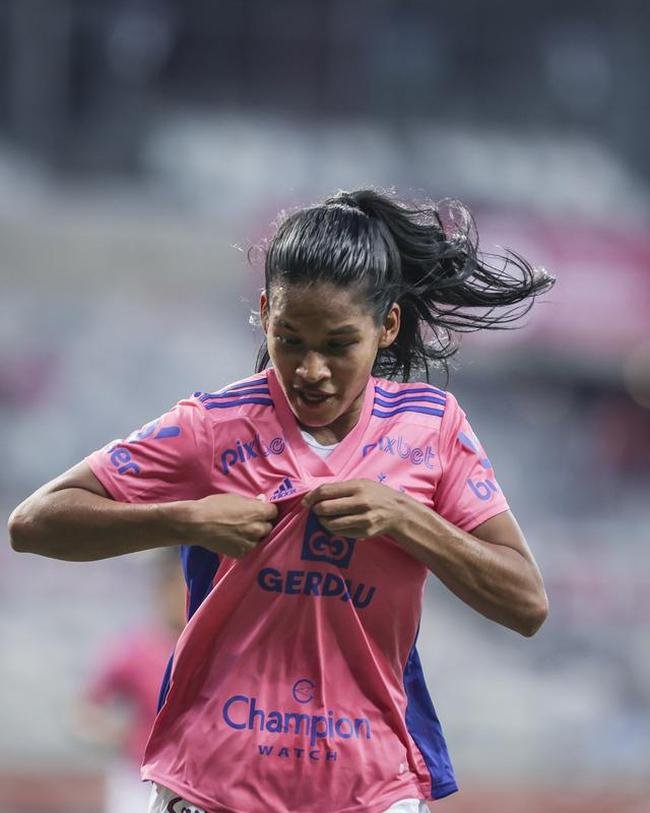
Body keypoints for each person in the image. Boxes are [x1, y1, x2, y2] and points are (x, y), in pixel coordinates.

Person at [9, 189, 554, 813]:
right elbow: (33, 523)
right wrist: (187, 519)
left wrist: (406, 518)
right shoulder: (212, 425)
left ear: (388, 327)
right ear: (265, 313)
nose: (311, 369)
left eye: (339, 345)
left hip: (371, 792)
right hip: (214, 788)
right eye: (290, 340)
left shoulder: (432, 428)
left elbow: (527, 604)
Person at [76, 548, 187, 813]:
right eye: (175, 588)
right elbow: (88, 711)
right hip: (138, 778)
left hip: (190, 779)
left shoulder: (209, 649)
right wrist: (116, 734)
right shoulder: (134, 649)